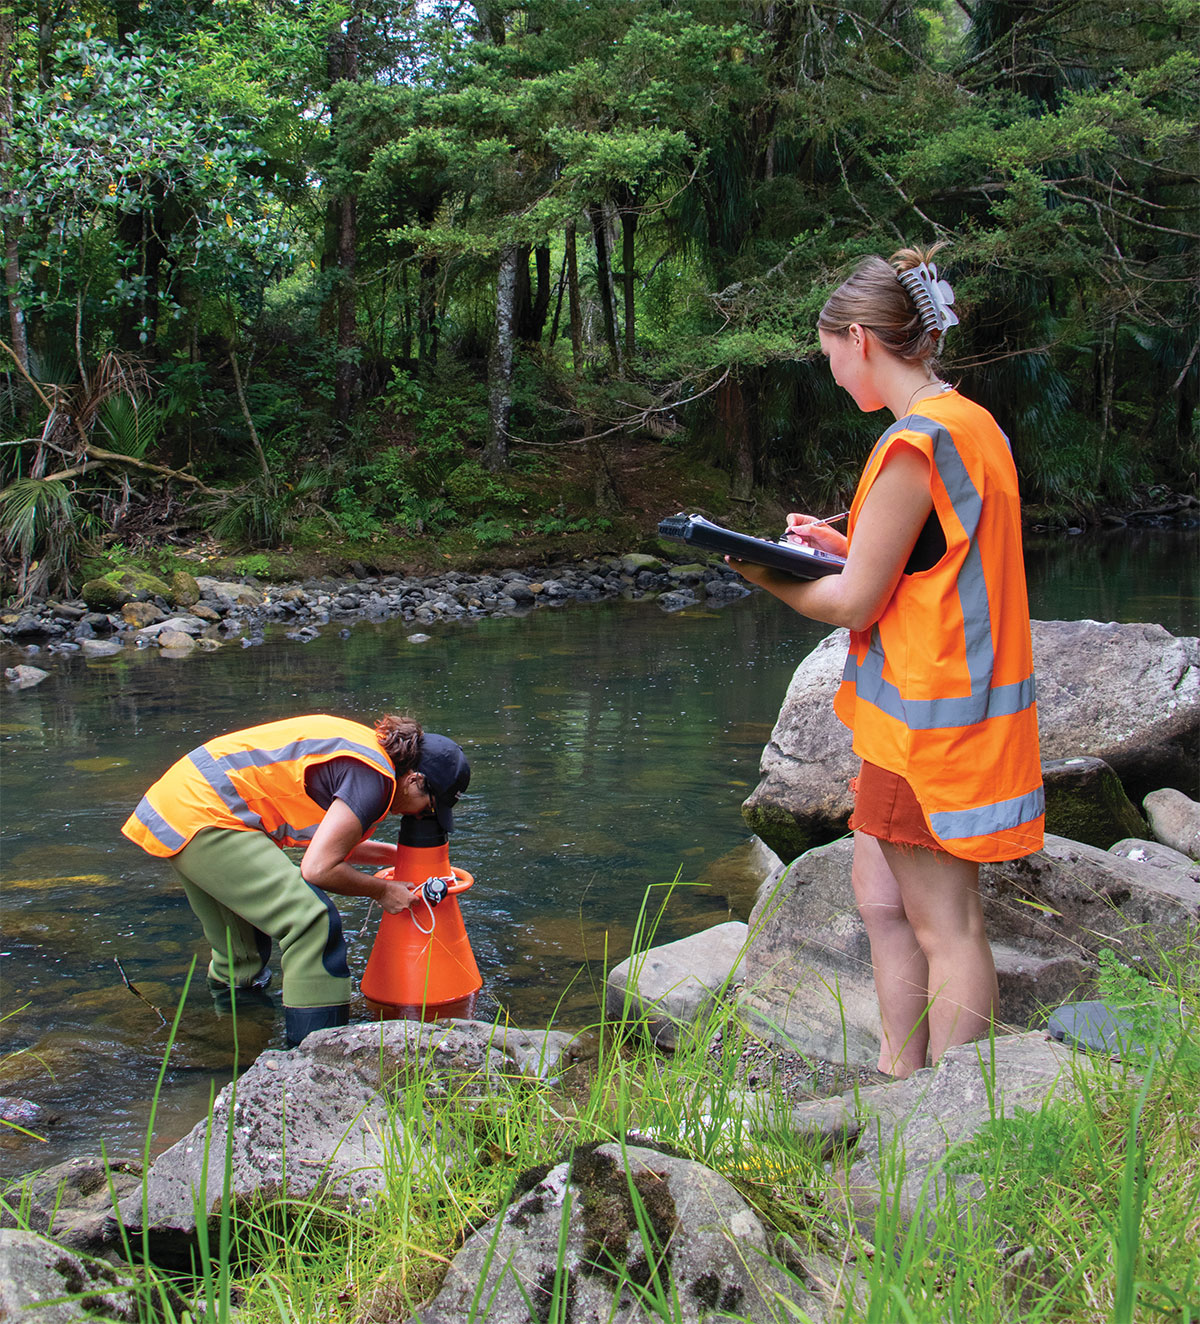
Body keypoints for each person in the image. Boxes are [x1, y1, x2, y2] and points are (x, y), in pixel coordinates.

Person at [729, 245, 1043, 1078]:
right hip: (945, 711)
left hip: (927, 723)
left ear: (860, 339)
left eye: (829, 354)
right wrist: (842, 545)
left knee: (950, 928)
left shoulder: (913, 445)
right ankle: (899, 1077)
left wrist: (762, 570)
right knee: (882, 899)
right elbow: (929, 560)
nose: (831, 373)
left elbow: (853, 605)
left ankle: (950, 1110)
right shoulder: (971, 425)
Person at [121, 713, 471, 1045]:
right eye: (429, 808)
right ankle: (314, 1065)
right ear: (414, 780)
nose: (422, 816)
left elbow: (336, 846)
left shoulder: (366, 753)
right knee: (311, 922)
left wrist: (406, 858)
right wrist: (382, 891)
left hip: (177, 805)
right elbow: (317, 868)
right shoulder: (374, 779)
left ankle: (231, 1046)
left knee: (240, 956)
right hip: (209, 814)